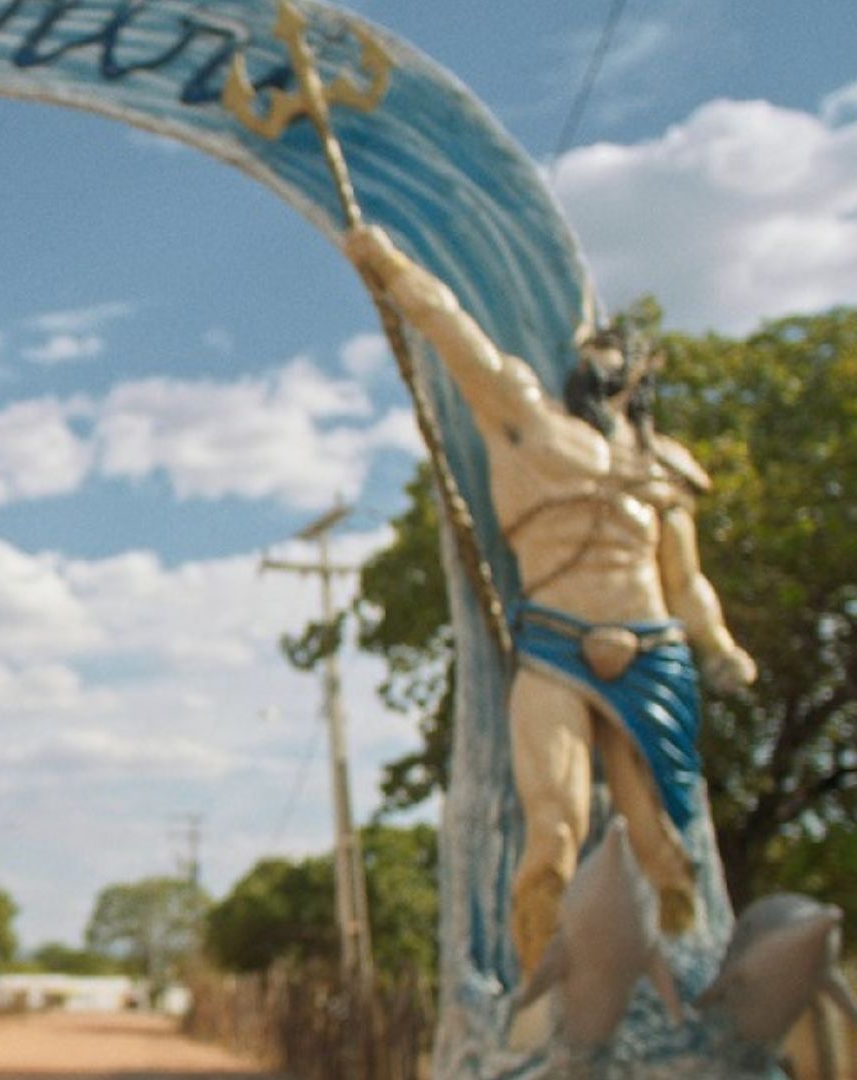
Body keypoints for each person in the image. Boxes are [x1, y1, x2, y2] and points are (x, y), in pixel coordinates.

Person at [343, 226, 758, 978]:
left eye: (618, 355)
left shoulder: (664, 471)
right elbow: (454, 333)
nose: (602, 365)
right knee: (555, 835)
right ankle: (537, 996)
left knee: (663, 846)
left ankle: (681, 992)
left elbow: (685, 578)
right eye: (593, 353)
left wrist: (720, 643)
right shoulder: (527, 423)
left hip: (652, 653)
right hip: (557, 649)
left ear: (638, 378)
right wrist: (390, 264)